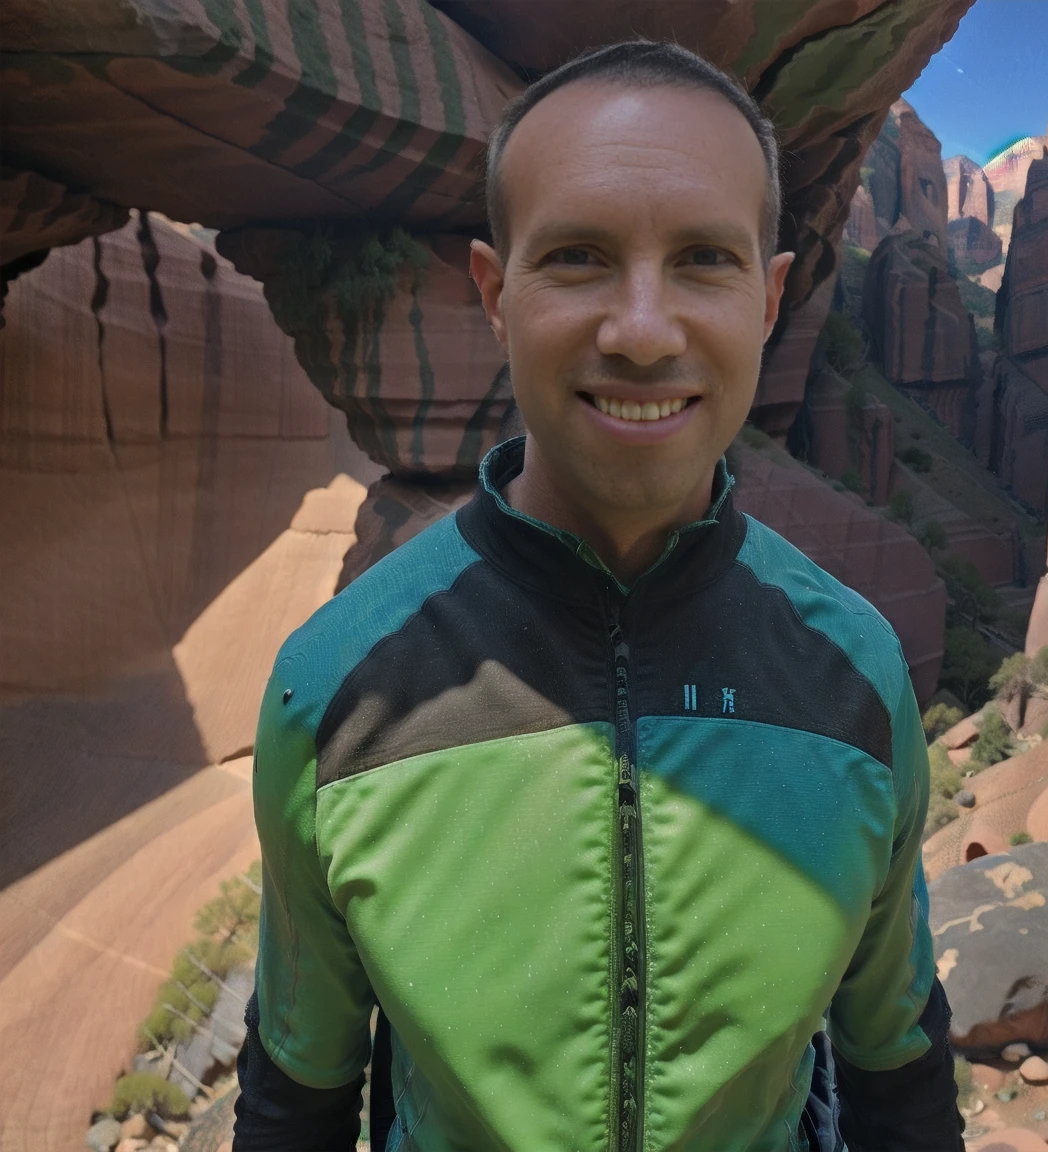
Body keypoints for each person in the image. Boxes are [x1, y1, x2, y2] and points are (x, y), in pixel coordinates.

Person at [233, 40, 965, 1152]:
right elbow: (296, 1101)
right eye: (577, 257)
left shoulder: (855, 675)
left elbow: (900, 1080)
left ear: (770, 299)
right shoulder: (333, 690)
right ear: (495, 292)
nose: (639, 330)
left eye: (704, 260)